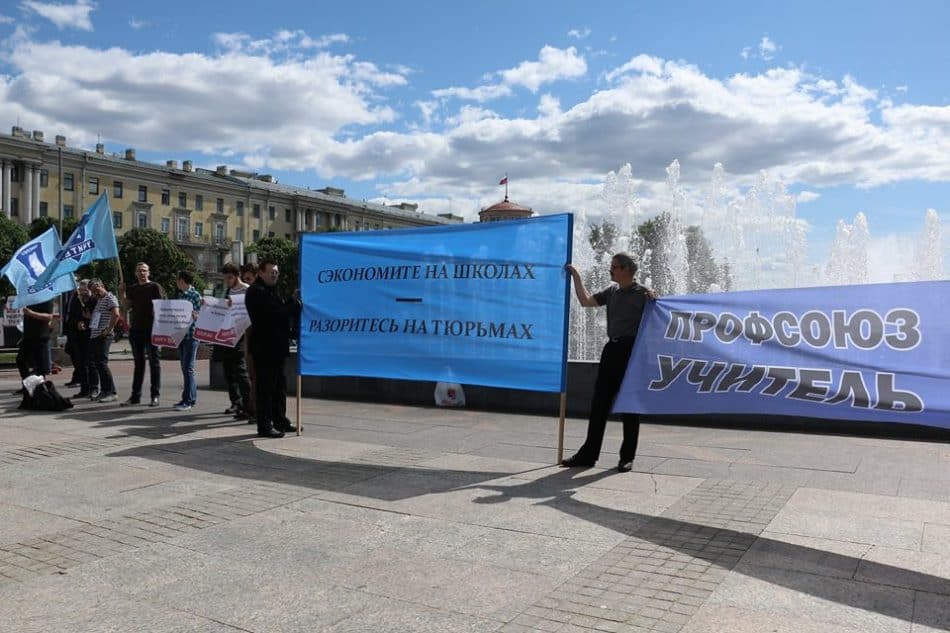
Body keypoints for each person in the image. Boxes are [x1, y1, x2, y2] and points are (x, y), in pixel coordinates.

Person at [562, 254, 656, 473]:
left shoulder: (643, 293)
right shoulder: (611, 292)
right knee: (599, 404)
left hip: (631, 352)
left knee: (629, 405)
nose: (610, 270)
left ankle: (626, 457)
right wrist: (576, 276)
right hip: (611, 350)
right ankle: (588, 455)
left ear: (626, 269)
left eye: (613, 267)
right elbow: (585, 301)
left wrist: (655, 298)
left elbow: (657, 314)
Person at [244, 259, 300, 438]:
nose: (274, 275)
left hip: (277, 348)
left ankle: (280, 420)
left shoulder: (271, 291)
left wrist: (291, 299)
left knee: (279, 387)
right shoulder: (256, 291)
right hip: (265, 348)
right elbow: (276, 314)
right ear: (261, 273)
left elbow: (280, 309)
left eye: (276, 272)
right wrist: (295, 306)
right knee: (266, 389)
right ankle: (264, 425)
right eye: (271, 272)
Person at [119, 262, 164, 407]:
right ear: (135, 273)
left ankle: (155, 396)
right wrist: (121, 293)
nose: (142, 273)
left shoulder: (154, 287)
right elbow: (126, 306)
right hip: (136, 330)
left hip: (152, 330)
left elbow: (162, 306)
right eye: (139, 271)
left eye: (144, 270)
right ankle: (135, 396)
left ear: (149, 272)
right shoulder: (133, 288)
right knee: (138, 364)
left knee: (154, 363)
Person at [215, 263, 251, 419]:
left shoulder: (247, 290)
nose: (227, 281)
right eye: (225, 278)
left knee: (241, 372)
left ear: (237, 275)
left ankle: (249, 405)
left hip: (242, 335)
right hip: (228, 335)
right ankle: (236, 402)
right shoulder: (228, 291)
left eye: (230, 277)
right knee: (228, 371)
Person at [87, 278, 120, 403]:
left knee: (102, 363)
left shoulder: (110, 298)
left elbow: (116, 314)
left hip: (103, 335)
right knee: (98, 364)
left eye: (97, 289)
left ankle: (111, 392)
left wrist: (109, 329)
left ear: (101, 285)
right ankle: (104, 390)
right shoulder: (100, 300)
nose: (96, 293)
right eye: (93, 291)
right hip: (95, 334)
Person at [173, 270, 202, 411]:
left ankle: (188, 401)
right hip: (182, 336)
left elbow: (202, 314)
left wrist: (196, 315)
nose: (176, 282)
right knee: (186, 369)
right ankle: (188, 398)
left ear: (182, 280)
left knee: (188, 368)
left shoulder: (195, 295)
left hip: (192, 336)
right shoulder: (181, 296)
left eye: (177, 279)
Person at [65, 280, 97, 398]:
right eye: (81, 290)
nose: (83, 293)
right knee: (81, 363)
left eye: (85, 290)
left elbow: (99, 316)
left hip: (91, 334)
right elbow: (71, 316)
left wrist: (88, 320)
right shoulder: (75, 299)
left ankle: (94, 388)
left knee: (91, 363)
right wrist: (78, 322)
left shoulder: (94, 299)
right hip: (77, 335)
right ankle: (84, 389)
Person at [16, 298, 59, 383]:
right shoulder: (30, 299)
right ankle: (28, 384)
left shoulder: (46, 299)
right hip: (28, 335)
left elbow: (49, 317)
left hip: (40, 336)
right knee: (20, 360)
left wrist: (31, 313)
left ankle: (40, 389)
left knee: (40, 367)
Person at [239, 262, 259, 422]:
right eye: (245, 279)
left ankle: (255, 410)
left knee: (257, 377)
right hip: (248, 337)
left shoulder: (258, 292)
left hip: (257, 338)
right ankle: (252, 409)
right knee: (252, 376)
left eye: (249, 279)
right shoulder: (248, 294)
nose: (247, 282)